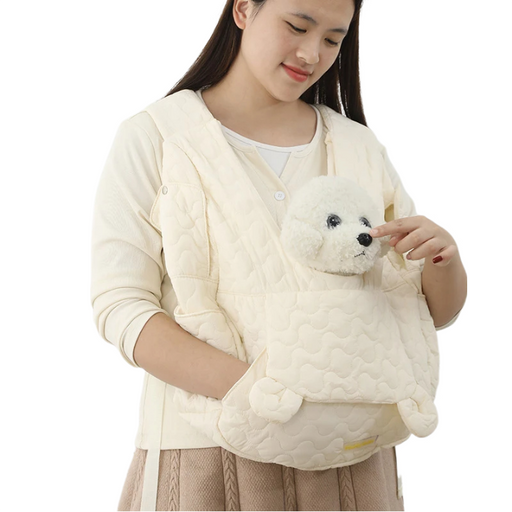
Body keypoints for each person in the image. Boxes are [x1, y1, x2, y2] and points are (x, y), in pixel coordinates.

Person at [90, 0, 467, 510]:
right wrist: (259, 391)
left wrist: (445, 261)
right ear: (244, 9)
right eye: (297, 26)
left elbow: (425, 314)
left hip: (354, 455)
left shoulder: (357, 146)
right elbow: (120, 306)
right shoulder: (157, 137)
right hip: (206, 453)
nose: (311, 54)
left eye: (333, 39)